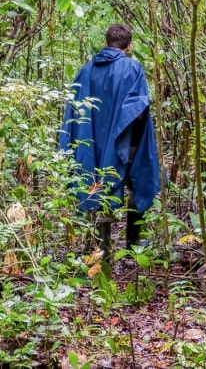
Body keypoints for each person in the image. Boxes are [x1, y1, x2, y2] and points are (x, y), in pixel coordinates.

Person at [59, 23, 161, 256]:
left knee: (95, 182)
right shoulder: (133, 68)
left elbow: (73, 112)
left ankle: (103, 247)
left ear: (105, 43)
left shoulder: (85, 70)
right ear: (129, 46)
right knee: (136, 182)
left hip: (92, 141)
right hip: (126, 140)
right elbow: (139, 108)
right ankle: (133, 242)